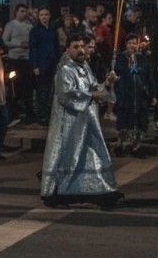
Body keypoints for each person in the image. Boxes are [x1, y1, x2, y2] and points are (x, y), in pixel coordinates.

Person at [40, 32, 123, 208]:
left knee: (93, 155)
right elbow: (66, 95)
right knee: (68, 158)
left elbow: (95, 88)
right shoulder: (65, 70)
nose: (80, 50)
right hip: (69, 125)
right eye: (76, 47)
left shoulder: (84, 67)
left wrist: (107, 83)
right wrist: (92, 95)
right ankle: (57, 193)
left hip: (87, 121)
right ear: (68, 49)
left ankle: (102, 191)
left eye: (82, 46)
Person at [112, 33, 155, 157]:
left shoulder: (142, 58)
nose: (132, 45)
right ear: (126, 44)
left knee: (139, 121)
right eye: (129, 43)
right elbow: (117, 73)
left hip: (140, 96)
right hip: (126, 95)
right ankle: (121, 145)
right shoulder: (121, 58)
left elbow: (148, 76)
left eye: (134, 43)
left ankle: (136, 147)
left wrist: (153, 94)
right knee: (125, 121)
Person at [2, 5, 34, 123]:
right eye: (21, 11)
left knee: (27, 87)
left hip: (26, 60)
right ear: (16, 12)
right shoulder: (11, 25)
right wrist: (19, 45)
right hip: (14, 60)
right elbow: (5, 41)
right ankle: (13, 112)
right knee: (14, 86)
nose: (24, 13)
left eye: (25, 11)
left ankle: (28, 113)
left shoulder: (29, 26)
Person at [29, 8, 59, 126]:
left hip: (52, 64)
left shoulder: (52, 30)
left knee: (50, 91)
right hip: (41, 65)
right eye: (41, 15)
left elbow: (56, 47)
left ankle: (48, 115)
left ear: (49, 16)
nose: (44, 17)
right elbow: (33, 49)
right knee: (42, 91)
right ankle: (42, 116)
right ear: (38, 17)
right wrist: (35, 65)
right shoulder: (35, 31)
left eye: (46, 14)